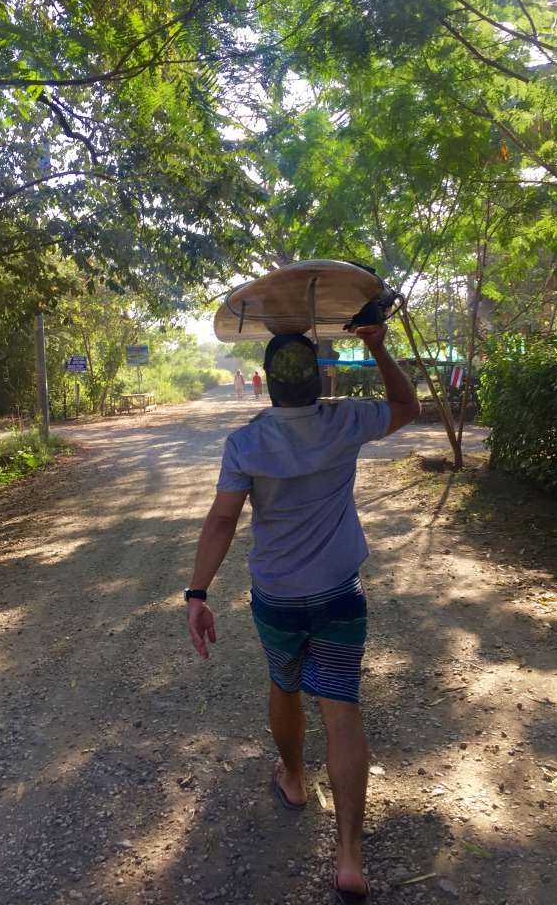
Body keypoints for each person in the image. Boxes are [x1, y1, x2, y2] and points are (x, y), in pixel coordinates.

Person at [186, 324, 420, 904]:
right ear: (318, 380)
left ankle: (293, 779)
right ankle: (347, 857)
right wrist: (377, 344)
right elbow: (407, 405)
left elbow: (221, 522)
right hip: (340, 591)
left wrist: (197, 593)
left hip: (277, 596)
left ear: (264, 383)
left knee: (284, 686)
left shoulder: (245, 443)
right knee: (341, 709)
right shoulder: (346, 421)